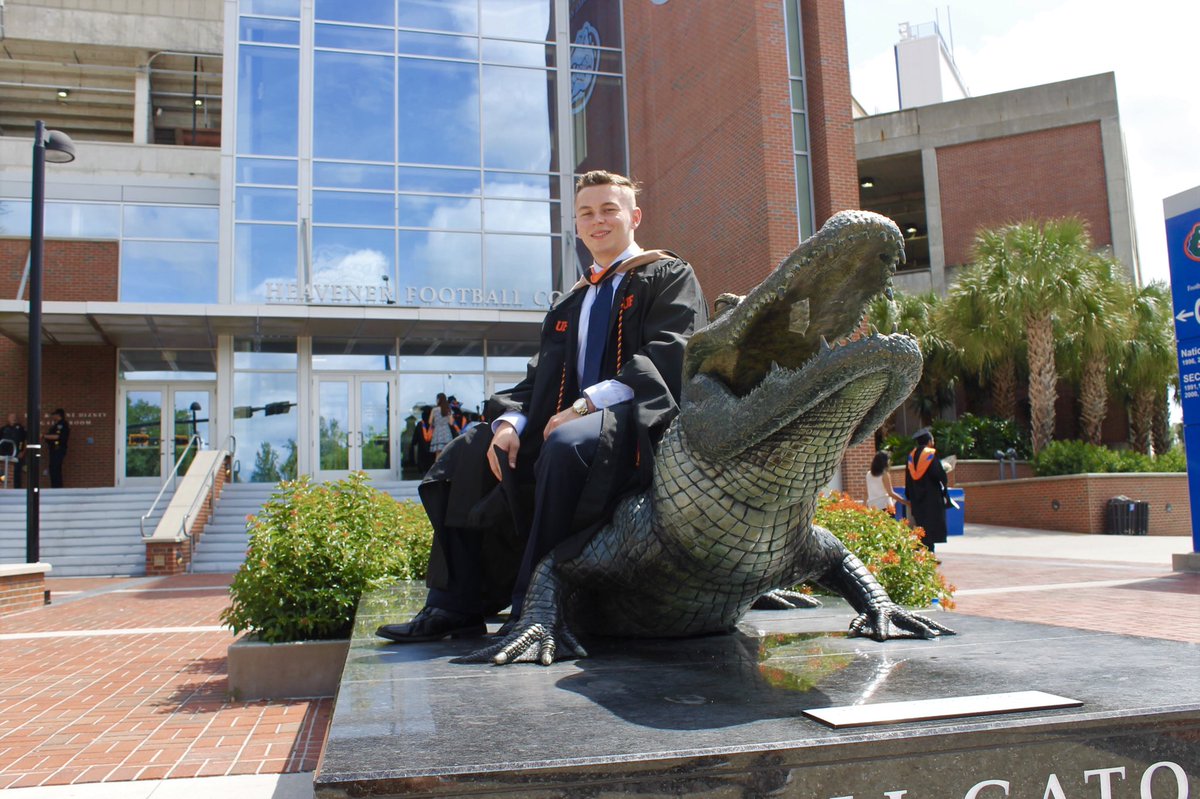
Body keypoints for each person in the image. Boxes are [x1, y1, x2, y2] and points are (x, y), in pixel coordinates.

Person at [377, 169, 708, 643]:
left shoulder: (667, 275)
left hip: (635, 424)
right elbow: (539, 381)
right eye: (587, 213)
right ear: (577, 225)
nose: (598, 220)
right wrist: (510, 422)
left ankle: (540, 610)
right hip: (567, 422)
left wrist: (585, 404)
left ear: (634, 216)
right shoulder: (571, 303)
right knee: (470, 448)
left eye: (609, 209)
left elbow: (671, 353)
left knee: (565, 444)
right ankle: (456, 606)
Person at [904, 428, 952, 553]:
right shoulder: (930, 455)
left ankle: (923, 550)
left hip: (917, 498)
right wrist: (944, 479)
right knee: (932, 524)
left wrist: (909, 496)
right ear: (929, 441)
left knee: (921, 524)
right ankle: (929, 552)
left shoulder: (911, 456)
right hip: (931, 497)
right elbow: (938, 475)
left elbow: (908, 478)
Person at [864, 451, 906, 518]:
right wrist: (905, 502)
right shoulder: (884, 474)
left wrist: (863, 507)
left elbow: (866, 493)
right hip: (885, 506)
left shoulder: (868, 474)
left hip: (873, 508)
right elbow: (890, 493)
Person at [426, 393, 459, 460]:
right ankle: (447, 469)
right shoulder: (448, 409)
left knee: (438, 454)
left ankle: (437, 469)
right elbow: (451, 423)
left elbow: (429, 422)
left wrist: (435, 423)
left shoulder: (434, 410)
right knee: (447, 452)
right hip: (446, 432)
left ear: (438, 400)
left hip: (437, 432)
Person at [44, 408, 70, 488]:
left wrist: (44, 436)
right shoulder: (55, 425)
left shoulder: (62, 424)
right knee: (53, 468)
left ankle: (57, 487)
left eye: (54, 415)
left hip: (59, 449)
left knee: (55, 467)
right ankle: (54, 486)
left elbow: (57, 436)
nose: (53, 416)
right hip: (53, 449)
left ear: (58, 415)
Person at [0, 412, 26, 488]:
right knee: (3, 472)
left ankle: (16, 488)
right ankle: (4, 486)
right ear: (8, 419)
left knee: (16, 472)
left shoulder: (20, 428)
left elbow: (26, 441)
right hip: (4, 454)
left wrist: (23, 452)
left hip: (16, 453)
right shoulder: (4, 429)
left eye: (14, 417)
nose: (13, 418)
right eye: (11, 417)